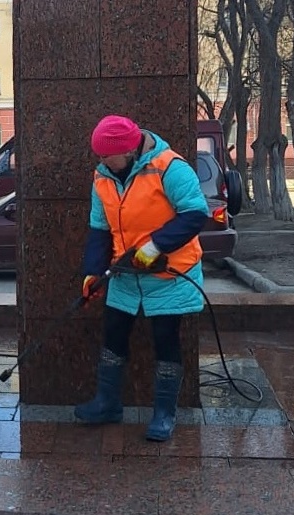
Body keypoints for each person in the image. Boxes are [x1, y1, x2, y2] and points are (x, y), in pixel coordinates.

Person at [75, 115, 211, 442]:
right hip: (126, 274)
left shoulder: (170, 168)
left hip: (170, 274)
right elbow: (100, 228)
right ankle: (108, 403)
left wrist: (156, 245)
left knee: (166, 340)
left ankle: (164, 414)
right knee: (113, 335)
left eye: (107, 155)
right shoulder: (103, 176)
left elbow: (195, 214)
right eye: (99, 155)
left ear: (129, 150)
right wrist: (93, 272)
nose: (101, 161)